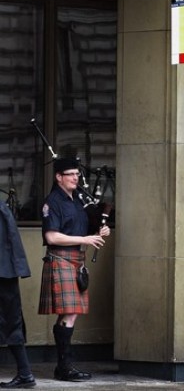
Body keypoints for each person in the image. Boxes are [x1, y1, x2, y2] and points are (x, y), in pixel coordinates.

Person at [39, 157, 109, 381]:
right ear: (59, 177)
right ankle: (64, 367)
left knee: (71, 313)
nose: (75, 178)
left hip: (76, 259)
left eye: (77, 174)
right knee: (69, 313)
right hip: (60, 258)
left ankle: (64, 366)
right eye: (70, 174)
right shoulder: (53, 201)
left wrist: (99, 232)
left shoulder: (77, 201)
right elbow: (52, 236)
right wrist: (85, 239)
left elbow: (85, 227)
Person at [0, 201, 35, 389]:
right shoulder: (2, 208)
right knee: (12, 323)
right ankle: (25, 373)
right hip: (7, 273)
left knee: (11, 323)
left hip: (4, 274)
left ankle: (25, 373)